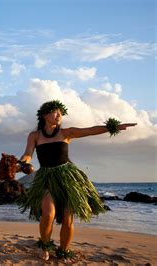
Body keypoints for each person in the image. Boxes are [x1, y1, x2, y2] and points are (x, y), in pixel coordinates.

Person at [17, 100, 137, 262]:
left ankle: (63, 251)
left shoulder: (67, 133)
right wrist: (22, 162)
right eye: (55, 112)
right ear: (45, 115)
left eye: (61, 112)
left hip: (67, 178)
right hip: (46, 178)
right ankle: (45, 246)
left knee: (68, 219)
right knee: (48, 214)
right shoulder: (35, 136)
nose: (59, 115)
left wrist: (113, 127)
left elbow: (90, 131)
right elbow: (28, 154)